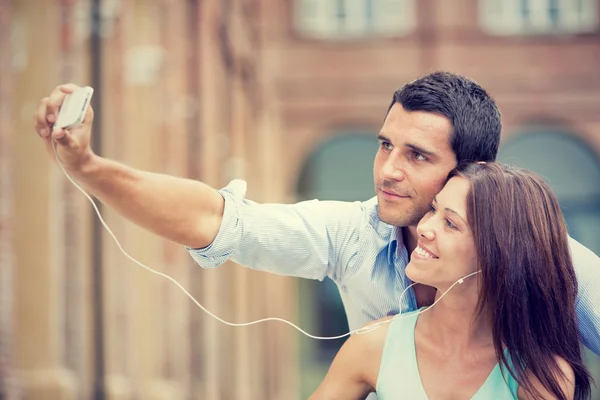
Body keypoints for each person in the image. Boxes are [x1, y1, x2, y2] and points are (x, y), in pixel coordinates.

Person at [33, 72, 600, 352]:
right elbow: (218, 219)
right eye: (385, 144)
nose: (387, 170)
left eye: (417, 155)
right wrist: (89, 167)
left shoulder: (544, 258)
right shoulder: (351, 233)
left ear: (469, 171)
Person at [310, 163, 592, 400]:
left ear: (498, 254)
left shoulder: (540, 375)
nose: (423, 228)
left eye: (451, 224)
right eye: (433, 210)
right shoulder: (374, 344)